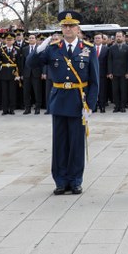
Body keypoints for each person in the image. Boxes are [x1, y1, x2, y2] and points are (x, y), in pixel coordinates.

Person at [36, 10, 99, 195]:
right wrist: (40, 49)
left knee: (77, 144)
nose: (68, 29)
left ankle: (75, 180)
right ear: (61, 29)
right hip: (59, 101)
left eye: (72, 26)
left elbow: (95, 80)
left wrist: (90, 105)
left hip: (79, 102)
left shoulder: (88, 49)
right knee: (60, 144)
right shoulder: (53, 48)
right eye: (65, 26)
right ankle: (61, 181)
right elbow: (32, 64)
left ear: (78, 28)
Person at [20, 33, 44, 114]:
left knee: (37, 91)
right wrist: (22, 74)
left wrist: (43, 72)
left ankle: (37, 108)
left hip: (36, 73)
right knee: (26, 92)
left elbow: (42, 61)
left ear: (36, 40)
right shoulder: (24, 49)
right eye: (30, 38)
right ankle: (27, 108)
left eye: (33, 38)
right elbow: (22, 62)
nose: (31, 39)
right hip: (26, 73)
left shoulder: (39, 48)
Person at [106, 31, 128, 112]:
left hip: (124, 73)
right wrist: (110, 72)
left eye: (120, 36)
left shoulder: (127, 48)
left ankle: (123, 106)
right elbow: (109, 60)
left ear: (123, 37)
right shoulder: (111, 48)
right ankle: (117, 106)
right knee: (115, 91)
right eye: (117, 36)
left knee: (123, 90)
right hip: (114, 73)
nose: (118, 38)